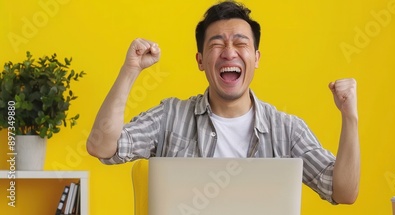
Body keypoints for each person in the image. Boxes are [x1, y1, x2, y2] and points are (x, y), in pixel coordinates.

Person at [87, 0, 359, 205]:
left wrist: (350, 117)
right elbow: (101, 146)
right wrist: (130, 69)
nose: (229, 52)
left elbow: (344, 192)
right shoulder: (169, 116)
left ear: (256, 58)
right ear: (201, 61)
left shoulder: (286, 130)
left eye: (240, 43)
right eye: (217, 44)